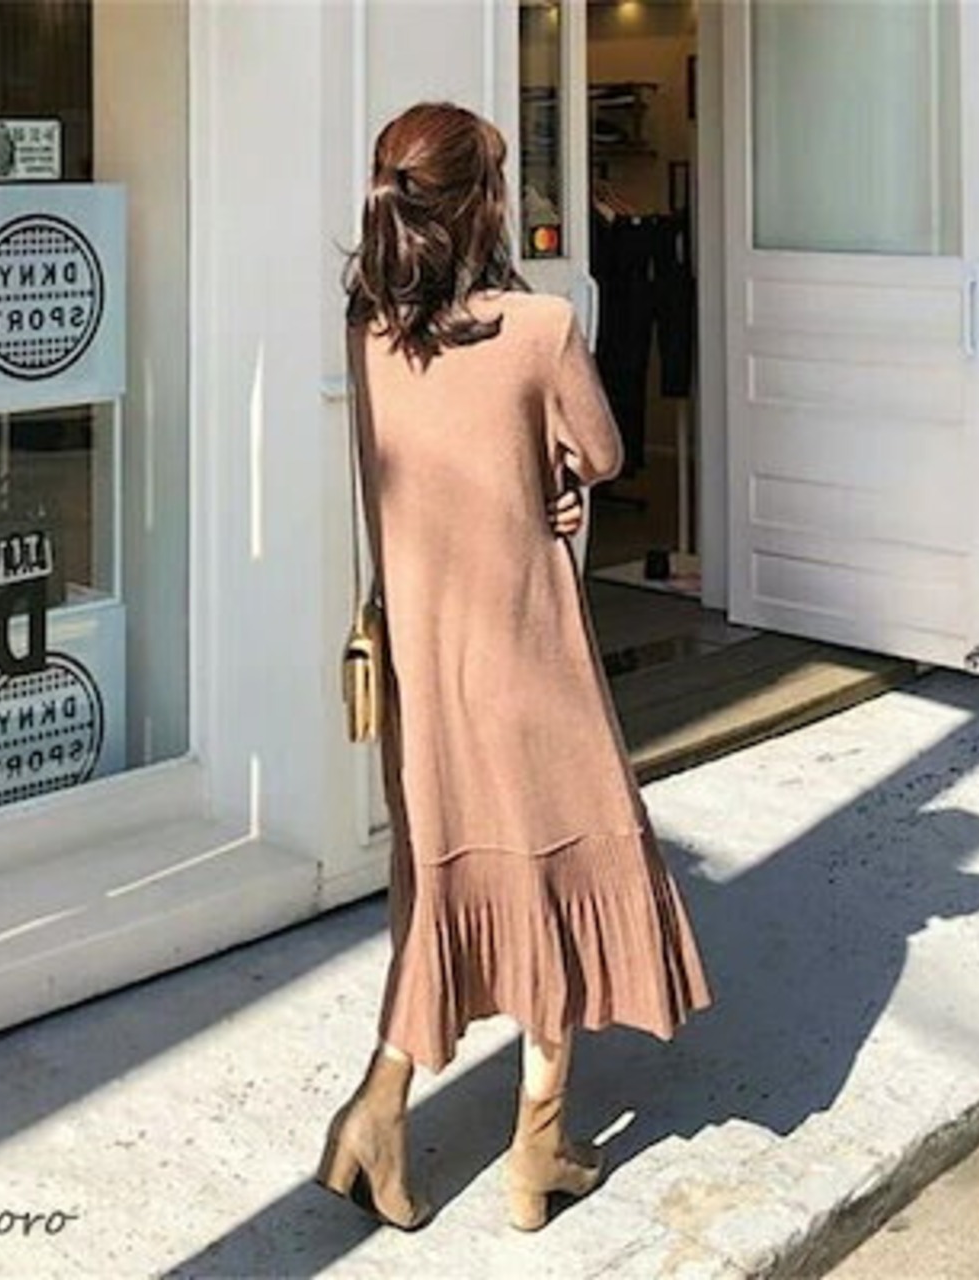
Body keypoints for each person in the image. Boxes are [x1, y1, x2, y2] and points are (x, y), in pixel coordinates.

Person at [317, 102, 711, 1233]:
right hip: (527, 653)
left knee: (451, 885)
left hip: (426, 664)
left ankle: (378, 1111)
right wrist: (557, 480)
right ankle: (537, 1147)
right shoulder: (538, 329)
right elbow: (603, 449)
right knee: (562, 873)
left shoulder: (368, 334)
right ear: (485, 203)